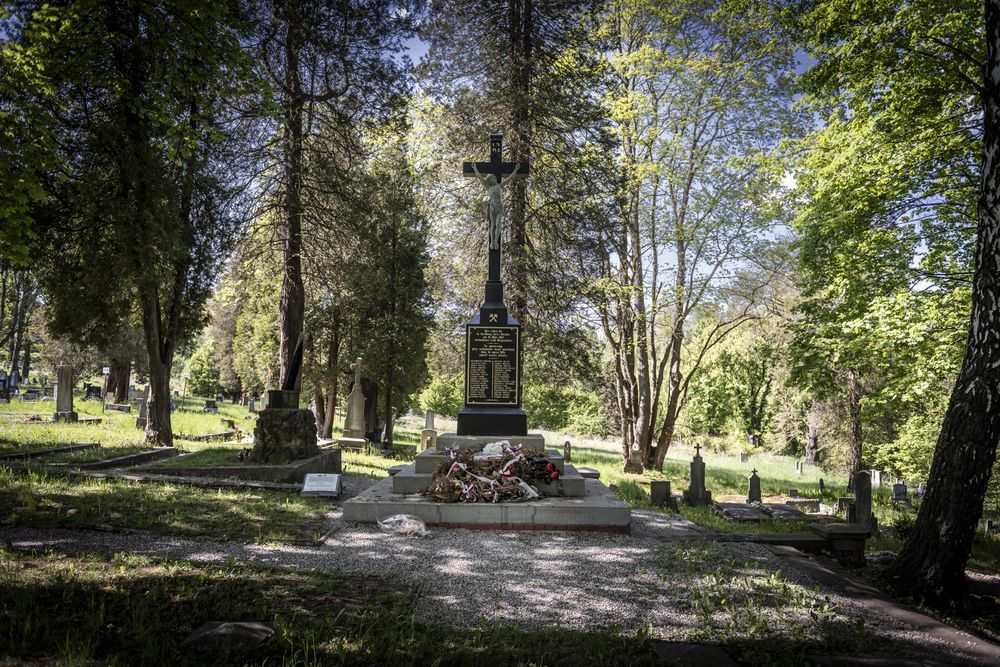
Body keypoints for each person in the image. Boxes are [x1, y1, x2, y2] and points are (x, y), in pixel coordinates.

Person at [472, 163, 519, 250]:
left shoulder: (499, 185)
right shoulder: (488, 187)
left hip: (499, 207)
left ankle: (496, 242)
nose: (490, 181)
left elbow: (510, 178)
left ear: (494, 178)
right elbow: (480, 178)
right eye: (489, 180)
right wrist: (475, 168)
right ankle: (492, 242)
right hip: (492, 207)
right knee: (492, 224)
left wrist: (516, 169)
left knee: (498, 224)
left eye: (491, 179)